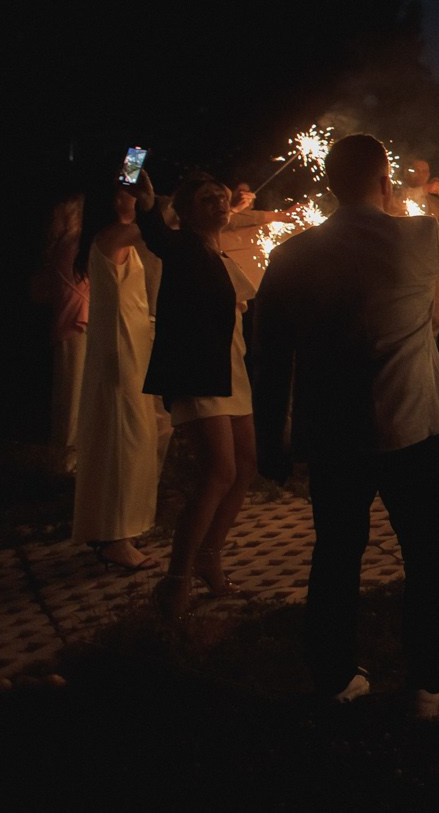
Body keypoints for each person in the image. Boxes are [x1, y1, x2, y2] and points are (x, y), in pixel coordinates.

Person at [255, 133, 439, 714]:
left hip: (332, 433)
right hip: (408, 426)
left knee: (336, 553)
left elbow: (267, 356)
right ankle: (430, 687)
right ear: (386, 179)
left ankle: (334, 677)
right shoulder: (416, 236)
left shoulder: (292, 254)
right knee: (427, 555)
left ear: (330, 182)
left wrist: (272, 438)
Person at [136, 171, 260, 613]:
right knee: (218, 472)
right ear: (185, 213)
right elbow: (158, 239)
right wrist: (150, 206)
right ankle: (175, 579)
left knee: (245, 465)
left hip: (229, 373)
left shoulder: (216, 253)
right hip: (197, 373)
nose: (220, 205)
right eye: (208, 200)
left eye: (223, 198)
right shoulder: (185, 247)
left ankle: (210, 557)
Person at [71, 179, 163, 571]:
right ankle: (114, 537)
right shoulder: (112, 236)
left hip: (130, 349)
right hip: (118, 354)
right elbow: (159, 230)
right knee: (122, 442)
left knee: (134, 438)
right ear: (114, 201)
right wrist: (151, 201)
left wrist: (137, 173)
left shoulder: (114, 237)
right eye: (128, 194)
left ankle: (120, 530)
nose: (135, 199)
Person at [31, 192, 89, 474]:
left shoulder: (61, 248)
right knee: (73, 391)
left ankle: (68, 456)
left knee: (72, 390)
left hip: (72, 322)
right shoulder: (73, 245)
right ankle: (67, 460)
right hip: (76, 322)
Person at [397, 160, 439, 331]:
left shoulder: (431, 201)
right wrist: (425, 189)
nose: (421, 174)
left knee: (433, 318)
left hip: (431, 264)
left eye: (424, 171)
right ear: (406, 173)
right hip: (404, 264)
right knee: (405, 315)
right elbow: (397, 205)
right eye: (415, 170)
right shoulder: (397, 194)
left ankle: (430, 352)